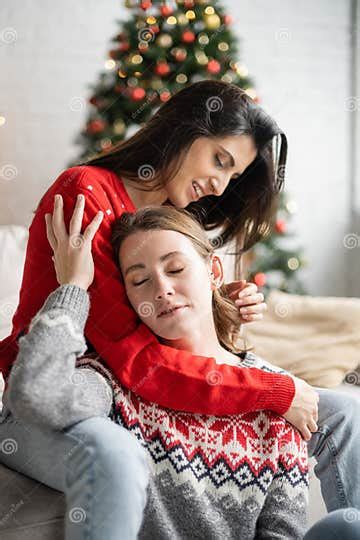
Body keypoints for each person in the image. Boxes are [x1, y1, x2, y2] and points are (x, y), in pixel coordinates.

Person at [0, 79, 358, 524]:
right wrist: (275, 391)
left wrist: (217, 303)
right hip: (78, 392)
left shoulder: (174, 214)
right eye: (220, 160)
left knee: (344, 413)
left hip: (141, 396)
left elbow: (160, 321)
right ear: (185, 129)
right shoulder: (85, 192)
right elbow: (135, 357)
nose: (220, 184)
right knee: (117, 456)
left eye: (233, 175)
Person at [3, 202, 310, 539]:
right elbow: (35, 393)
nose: (161, 289)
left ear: (215, 272)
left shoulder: (281, 399)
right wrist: (73, 287)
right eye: (140, 280)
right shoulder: (116, 383)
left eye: (176, 269)